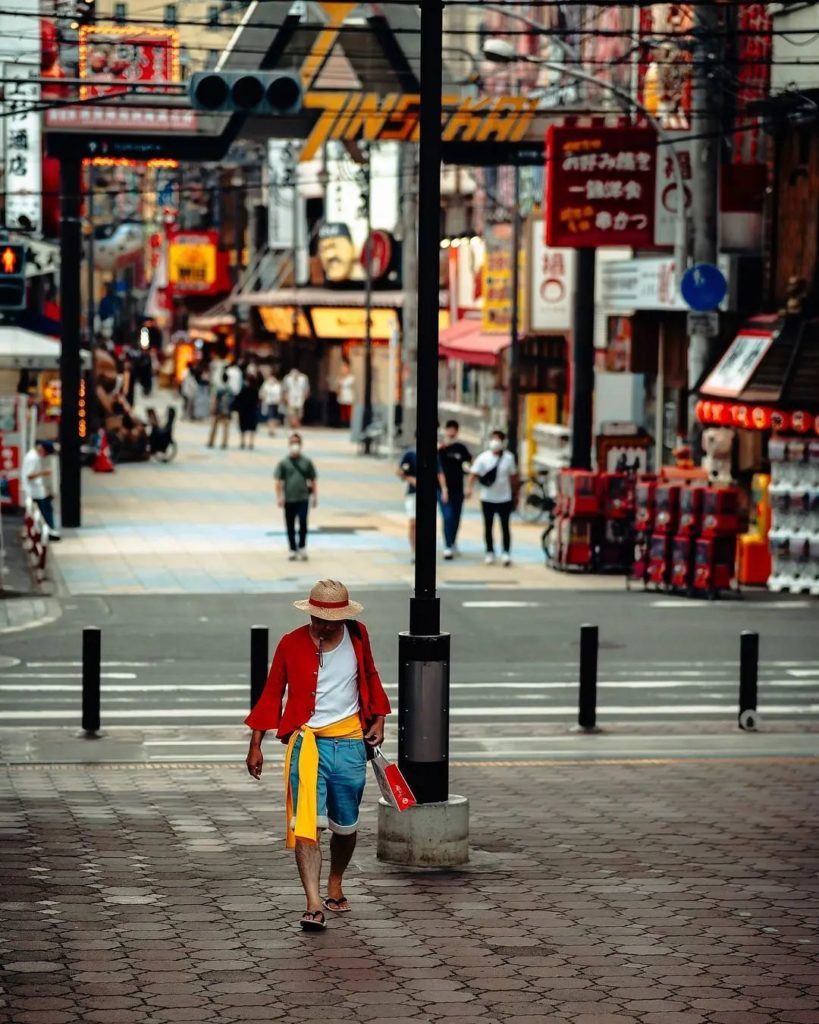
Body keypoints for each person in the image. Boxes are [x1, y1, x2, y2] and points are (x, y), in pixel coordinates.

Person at [245, 579, 390, 932]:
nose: (323, 625)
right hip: (306, 745)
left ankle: (335, 880)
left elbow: (370, 675)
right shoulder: (290, 643)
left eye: (331, 620)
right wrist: (255, 744)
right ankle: (312, 903)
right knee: (306, 825)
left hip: (351, 743)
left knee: (346, 826)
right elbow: (272, 692)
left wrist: (381, 719)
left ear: (343, 617)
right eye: (318, 618)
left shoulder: (357, 636)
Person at [467, 430, 518, 566]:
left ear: (503, 442)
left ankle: (506, 553)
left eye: (498, 439)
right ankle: (490, 552)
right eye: (493, 439)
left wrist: (515, 494)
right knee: (488, 526)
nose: (495, 442)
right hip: (487, 498)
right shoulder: (483, 458)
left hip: (504, 498)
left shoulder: (509, 458)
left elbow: (513, 476)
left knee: (505, 526)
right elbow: (473, 473)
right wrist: (469, 489)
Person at [398, 439, 447, 561]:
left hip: (429, 494)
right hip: (413, 493)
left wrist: (444, 489)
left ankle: (424, 550)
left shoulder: (433, 454)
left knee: (426, 524)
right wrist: (411, 479)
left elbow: (439, 472)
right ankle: (414, 551)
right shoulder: (410, 454)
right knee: (413, 523)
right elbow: (400, 472)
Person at [275, 432, 317, 561]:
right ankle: (292, 549)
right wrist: (280, 497)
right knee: (290, 524)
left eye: (297, 443)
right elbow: (278, 481)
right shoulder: (284, 462)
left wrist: (315, 496)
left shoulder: (307, 462)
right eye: (293, 443)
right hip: (289, 498)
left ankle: (302, 546)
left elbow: (313, 479)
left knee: (303, 522)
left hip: (303, 498)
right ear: (289, 444)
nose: (295, 445)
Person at [438, 419, 472, 559]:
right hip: (443, 489)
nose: (451, 432)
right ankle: (447, 545)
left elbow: (470, 463)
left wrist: (469, 482)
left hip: (458, 488)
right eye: (449, 429)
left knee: (457, 517)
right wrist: (444, 489)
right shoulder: (441, 449)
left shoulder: (461, 449)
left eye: (454, 429)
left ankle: (453, 541)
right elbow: (438, 470)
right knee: (448, 516)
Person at [22, 440, 60, 540]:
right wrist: (44, 472)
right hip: (34, 490)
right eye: (46, 453)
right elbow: (28, 475)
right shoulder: (32, 458)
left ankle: (46, 531)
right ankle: (48, 531)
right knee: (45, 510)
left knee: (43, 511)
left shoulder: (33, 456)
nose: (45, 455)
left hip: (36, 489)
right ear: (42, 449)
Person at [207, 370, 233, 449]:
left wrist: (213, 408)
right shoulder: (230, 389)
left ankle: (211, 442)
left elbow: (216, 400)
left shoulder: (219, 388)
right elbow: (232, 401)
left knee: (214, 427)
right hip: (226, 411)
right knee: (226, 428)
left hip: (219, 410)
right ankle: (224, 443)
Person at [235, 372, 260, 450]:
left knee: (243, 427)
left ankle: (242, 442)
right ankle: (251, 443)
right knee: (252, 428)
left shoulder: (244, 390)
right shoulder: (255, 390)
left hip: (244, 412)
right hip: (252, 411)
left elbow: (238, 400)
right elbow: (258, 401)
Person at [261, 372, 282, 437]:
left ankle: (273, 429)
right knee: (270, 417)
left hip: (276, 404)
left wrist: (279, 401)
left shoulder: (278, 386)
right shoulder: (266, 385)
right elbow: (262, 394)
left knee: (274, 418)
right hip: (269, 403)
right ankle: (270, 430)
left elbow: (280, 395)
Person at [335, 360, 355, 427]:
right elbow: (338, 385)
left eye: (345, 368)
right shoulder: (340, 377)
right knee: (343, 411)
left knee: (348, 411)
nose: (343, 370)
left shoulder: (351, 377)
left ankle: (349, 424)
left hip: (349, 396)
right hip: (342, 396)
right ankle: (343, 423)